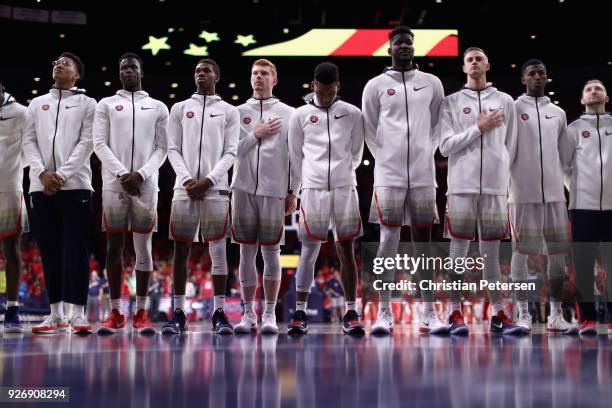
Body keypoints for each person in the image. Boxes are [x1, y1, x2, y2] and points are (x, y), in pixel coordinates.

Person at [362, 25, 447, 335]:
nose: (404, 47)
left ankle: (428, 312)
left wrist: (426, 151)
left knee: (423, 244)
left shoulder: (432, 83)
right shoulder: (374, 86)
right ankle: (384, 312)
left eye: (409, 42)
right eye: (398, 43)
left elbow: (438, 124)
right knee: (387, 242)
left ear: (415, 47)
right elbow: (370, 130)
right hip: (389, 175)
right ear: (389, 49)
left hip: (423, 173)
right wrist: (386, 158)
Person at [439, 47, 523, 335]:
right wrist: (479, 128)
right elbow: (445, 146)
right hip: (461, 187)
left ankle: (499, 312)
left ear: (487, 64)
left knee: (492, 256)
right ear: (464, 68)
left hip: (494, 188)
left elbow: (511, 147)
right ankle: (454, 313)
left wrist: (506, 182)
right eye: (469, 60)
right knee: (457, 254)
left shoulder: (505, 101)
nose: (474, 63)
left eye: (479, 59)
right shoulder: (450, 102)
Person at [93, 52, 168, 335]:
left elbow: (163, 148)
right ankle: (115, 312)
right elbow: (99, 143)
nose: (127, 71)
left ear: (141, 71)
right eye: (123, 67)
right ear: (119, 72)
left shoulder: (158, 107)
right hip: (115, 185)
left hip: (146, 186)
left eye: (132, 67)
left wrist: (141, 174)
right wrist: (123, 174)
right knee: (113, 248)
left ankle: (141, 312)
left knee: (143, 249)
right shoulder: (106, 104)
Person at [287, 62, 365, 335]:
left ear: (338, 88)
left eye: (331, 92)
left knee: (346, 250)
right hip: (313, 190)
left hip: (344, 188)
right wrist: (303, 186)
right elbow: (296, 157)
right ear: (313, 87)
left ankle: (351, 311)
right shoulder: (299, 116)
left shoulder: (353, 114)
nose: (326, 97)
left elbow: (356, 155)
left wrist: (341, 175)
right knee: (309, 251)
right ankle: (299, 312)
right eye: (322, 93)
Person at [23, 52, 96, 334]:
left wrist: (61, 175)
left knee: (76, 250)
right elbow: (28, 141)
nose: (59, 65)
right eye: (56, 63)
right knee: (49, 250)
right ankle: (55, 314)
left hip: (76, 184)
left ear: (77, 74)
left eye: (66, 64)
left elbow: (86, 142)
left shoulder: (88, 103)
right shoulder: (37, 103)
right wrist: (42, 173)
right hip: (40, 186)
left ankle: (77, 313)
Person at [164, 59, 239, 335]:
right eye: (196, 70)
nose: (201, 74)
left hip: (216, 188)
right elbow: (173, 148)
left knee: (218, 250)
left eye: (206, 71)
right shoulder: (180, 108)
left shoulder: (229, 111)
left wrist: (208, 180)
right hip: (183, 188)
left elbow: (231, 152)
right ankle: (179, 312)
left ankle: (219, 313)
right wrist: (186, 180)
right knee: (181, 249)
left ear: (217, 76)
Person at [509, 59, 578, 335]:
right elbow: (505, 151)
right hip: (521, 193)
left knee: (558, 256)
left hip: (554, 194)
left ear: (546, 78)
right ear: (523, 79)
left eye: (541, 73)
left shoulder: (558, 113)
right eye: (531, 74)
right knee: (520, 254)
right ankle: (523, 314)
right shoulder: (512, 108)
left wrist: (572, 191)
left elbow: (563, 159)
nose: (537, 77)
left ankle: (556, 315)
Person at [231, 59, 297, 335]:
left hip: (274, 190)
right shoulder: (235, 113)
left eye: (264, 74)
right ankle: (249, 314)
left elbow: (296, 156)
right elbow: (229, 152)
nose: (259, 77)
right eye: (255, 73)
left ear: (275, 80)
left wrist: (293, 190)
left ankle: (269, 312)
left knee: (272, 252)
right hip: (242, 189)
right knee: (246, 252)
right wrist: (254, 135)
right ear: (250, 79)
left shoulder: (290, 113)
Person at [562, 79, 612, 335]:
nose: (594, 91)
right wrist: (578, 191)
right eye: (589, 89)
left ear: (606, 97)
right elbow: (563, 167)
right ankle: (588, 319)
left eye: (598, 88)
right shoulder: (572, 130)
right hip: (582, 207)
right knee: (583, 266)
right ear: (582, 100)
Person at [0, 80, 29, 333]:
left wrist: (14, 167)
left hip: (10, 188)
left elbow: (31, 146)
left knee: (12, 248)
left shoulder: (20, 112)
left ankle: (12, 309)